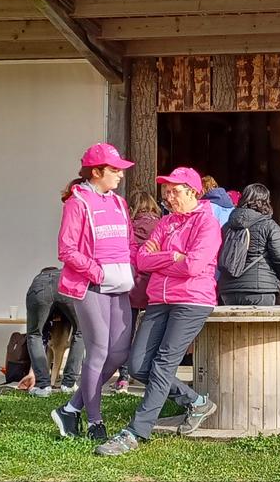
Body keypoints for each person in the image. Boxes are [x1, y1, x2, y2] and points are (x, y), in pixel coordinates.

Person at [95, 167, 223, 456]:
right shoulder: (165, 224)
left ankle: (135, 431)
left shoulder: (207, 224)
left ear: (193, 192)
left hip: (192, 300)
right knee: (139, 364)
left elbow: (192, 266)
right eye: (166, 190)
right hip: (159, 299)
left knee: (164, 363)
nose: (168, 196)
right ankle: (197, 402)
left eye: (175, 190)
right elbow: (142, 260)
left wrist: (163, 260)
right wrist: (172, 257)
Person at [51, 143, 136, 442]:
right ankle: (95, 422)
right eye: (114, 170)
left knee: (119, 353)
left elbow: (129, 244)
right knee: (99, 350)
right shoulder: (77, 203)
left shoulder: (119, 203)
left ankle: (71, 409)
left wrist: (132, 266)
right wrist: (97, 272)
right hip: (90, 285)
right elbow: (67, 249)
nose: (120, 176)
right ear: (96, 172)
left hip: (119, 285)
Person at [113, 190, 162, 393]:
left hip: (132, 286)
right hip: (155, 287)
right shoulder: (162, 226)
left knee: (126, 333)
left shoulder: (128, 228)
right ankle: (149, 374)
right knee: (153, 334)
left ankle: (123, 378)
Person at [217, 183, 280, 306]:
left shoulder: (226, 227)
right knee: (261, 326)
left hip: (228, 290)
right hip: (260, 289)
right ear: (265, 202)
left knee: (232, 326)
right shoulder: (269, 225)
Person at [24, 266, 84, 397]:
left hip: (40, 290)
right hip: (66, 284)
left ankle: (43, 387)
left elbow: (40, 337)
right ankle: (69, 384)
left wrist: (32, 373)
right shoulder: (62, 274)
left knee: (34, 334)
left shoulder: (39, 279)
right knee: (81, 332)